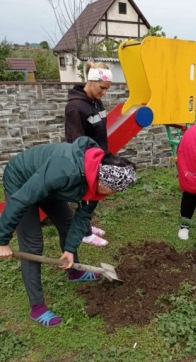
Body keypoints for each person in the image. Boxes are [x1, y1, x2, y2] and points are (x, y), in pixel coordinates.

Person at [0, 137, 136, 327]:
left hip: (48, 183)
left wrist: (70, 249)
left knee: (67, 223)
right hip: (22, 179)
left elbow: (82, 218)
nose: (113, 194)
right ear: (101, 179)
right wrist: (2, 240)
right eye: (113, 190)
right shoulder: (65, 170)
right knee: (32, 243)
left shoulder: (97, 181)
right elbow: (21, 200)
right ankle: (37, 307)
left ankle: (74, 271)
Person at [65, 61, 113, 247]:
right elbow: (75, 142)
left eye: (107, 88)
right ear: (91, 81)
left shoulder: (96, 101)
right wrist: (86, 168)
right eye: (102, 88)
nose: (104, 92)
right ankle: (84, 233)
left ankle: (87, 225)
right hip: (86, 161)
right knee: (86, 196)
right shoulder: (76, 108)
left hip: (99, 157)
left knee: (92, 197)